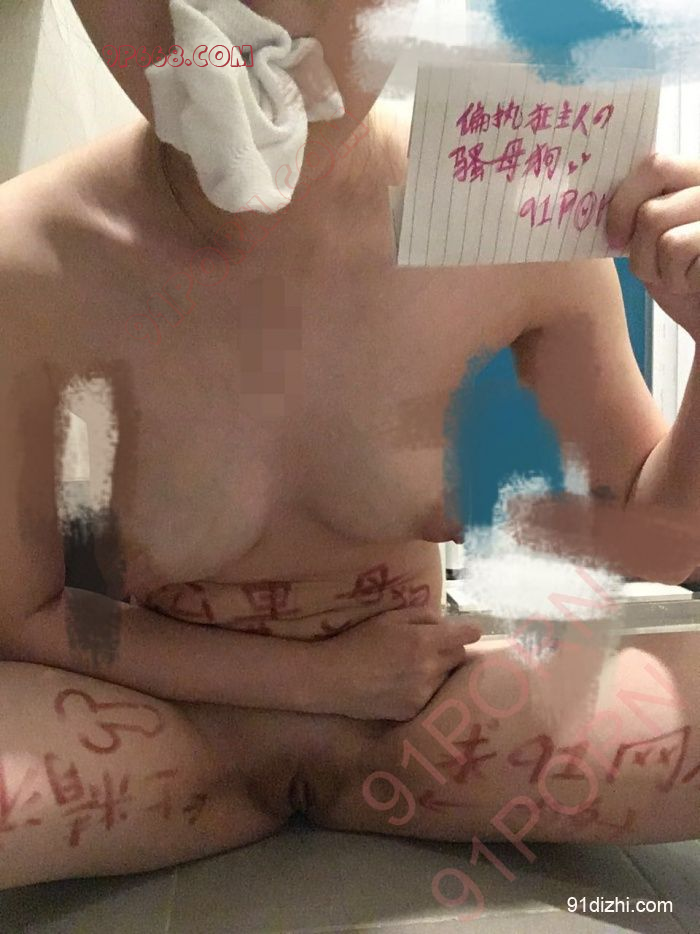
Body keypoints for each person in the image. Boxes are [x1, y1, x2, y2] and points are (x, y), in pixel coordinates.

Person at [1, 0, 700, 891]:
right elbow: (26, 612)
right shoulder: (28, 269)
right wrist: (314, 680)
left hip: (423, 715)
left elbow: (658, 538)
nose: (240, 21)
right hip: (159, 720)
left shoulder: (504, 217)